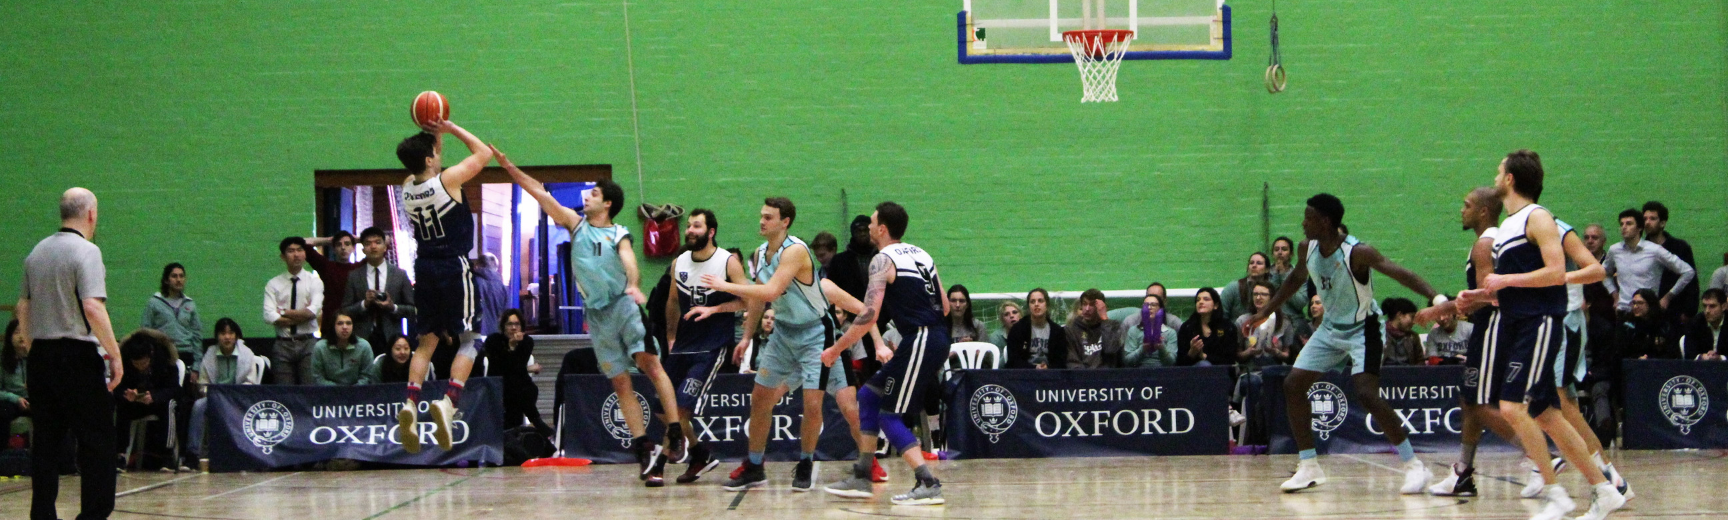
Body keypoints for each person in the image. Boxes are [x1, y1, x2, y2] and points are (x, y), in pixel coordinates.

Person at [495, 147, 681, 486]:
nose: (588, 196)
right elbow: (537, 191)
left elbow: (628, 260)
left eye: (594, 192)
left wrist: (635, 285)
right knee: (620, 381)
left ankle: (675, 430)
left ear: (607, 203)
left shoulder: (617, 232)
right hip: (597, 315)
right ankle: (643, 446)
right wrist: (509, 168)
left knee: (650, 365)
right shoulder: (575, 226)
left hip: (624, 306)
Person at [1463, 151, 1625, 519]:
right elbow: (1511, 285)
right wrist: (1476, 296)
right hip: (1516, 321)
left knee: (1511, 407)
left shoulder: (1539, 217)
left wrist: (1506, 279)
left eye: (1499, 169)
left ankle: (1555, 493)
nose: (1495, 173)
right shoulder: (1507, 226)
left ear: (1511, 179)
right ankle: (1604, 489)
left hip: (1539, 323)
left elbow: (1555, 273)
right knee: (1546, 413)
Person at [1247, 193, 1441, 497]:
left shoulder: (1357, 252)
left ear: (1325, 221)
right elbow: (1296, 278)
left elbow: (1400, 272)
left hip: (1363, 328)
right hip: (1330, 329)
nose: (1303, 222)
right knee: (1293, 384)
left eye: (1308, 217)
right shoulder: (1306, 248)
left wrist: (1436, 297)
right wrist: (1266, 311)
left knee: (1366, 393)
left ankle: (1415, 465)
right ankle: (1309, 466)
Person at [702, 197, 846, 492]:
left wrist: (725, 285)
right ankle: (755, 465)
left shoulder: (795, 250)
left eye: (768, 217)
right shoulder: (757, 255)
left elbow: (772, 289)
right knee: (760, 398)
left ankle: (806, 461)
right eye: (761, 215)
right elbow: (758, 297)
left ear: (785, 222)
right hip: (783, 332)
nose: (762, 221)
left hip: (815, 333)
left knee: (812, 403)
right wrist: (745, 336)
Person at [821, 201, 952, 506]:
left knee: (889, 414)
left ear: (881, 228)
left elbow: (868, 314)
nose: (867, 227)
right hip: (931, 337)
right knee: (868, 396)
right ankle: (863, 474)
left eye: (872, 222)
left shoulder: (882, 259)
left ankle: (927, 481)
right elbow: (944, 307)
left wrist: (836, 348)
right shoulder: (922, 254)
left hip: (920, 337)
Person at [18, 187, 124, 520]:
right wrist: (115, 354)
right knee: (97, 441)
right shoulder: (87, 251)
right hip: (76, 356)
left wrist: (35, 347)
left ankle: (43, 515)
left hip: (41, 357)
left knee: (46, 443)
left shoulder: (36, 252)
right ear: (91, 214)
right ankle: (93, 515)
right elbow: (92, 306)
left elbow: (23, 306)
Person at [392, 120, 494, 456]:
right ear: (430, 160)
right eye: (437, 153)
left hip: (424, 266)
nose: (440, 155)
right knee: (471, 338)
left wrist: (432, 135)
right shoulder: (448, 181)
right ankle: (449, 402)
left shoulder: (406, 186)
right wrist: (450, 127)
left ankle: (410, 402)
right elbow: (484, 153)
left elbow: (425, 162)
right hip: (454, 265)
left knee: (426, 342)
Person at [1418, 186, 1521, 497]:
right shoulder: (1500, 239)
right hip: (1496, 327)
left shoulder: (1485, 243)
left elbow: (1485, 298)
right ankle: (1463, 472)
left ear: (1483, 212)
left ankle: (1541, 456)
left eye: (1466, 206)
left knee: (1477, 402)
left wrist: (1441, 308)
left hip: (1491, 326)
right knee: (1469, 399)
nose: (1461, 211)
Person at [188, 318, 262, 464]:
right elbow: (203, 383)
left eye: (230, 333)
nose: (227, 337)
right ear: (217, 336)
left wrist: (233, 394)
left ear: (236, 336)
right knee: (198, 406)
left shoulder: (247, 355)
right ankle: (192, 453)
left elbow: (251, 382)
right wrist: (214, 394)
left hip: (239, 398)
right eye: (223, 333)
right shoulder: (209, 355)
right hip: (215, 397)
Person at [112, 330, 181, 471]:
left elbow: (175, 388)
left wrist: (154, 397)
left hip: (160, 400)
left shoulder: (165, 358)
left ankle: (166, 455)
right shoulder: (124, 359)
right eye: (136, 364)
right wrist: (127, 394)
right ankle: (120, 454)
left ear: (151, 355)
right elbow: (117, 386)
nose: (140, 367)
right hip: (135, 403)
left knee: (169, 406)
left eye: (143, 363)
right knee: (120, 406)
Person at [1603, 208, 1694, 316]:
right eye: (1621, 224)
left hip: (1649, 313)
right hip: (1624, 311)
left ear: (1640, 227)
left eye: (1629, 223)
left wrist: (1668, 297)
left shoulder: (1654, 250)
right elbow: (1603, 273)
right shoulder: (1614, 250)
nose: (1624, 227)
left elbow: (1688, 271)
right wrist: (1614, 295)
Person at [342, 227, 416, 357]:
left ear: (385, 246)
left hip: (393, 339)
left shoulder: (400, 275)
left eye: (377, 242)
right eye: (368, 243)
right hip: (362, 338)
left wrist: (393, 307)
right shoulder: (354, 276)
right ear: (363, 249)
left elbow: (412, 310)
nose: (373, 247)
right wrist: (364, 304)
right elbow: (345, 311)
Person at [263, 237, 323, 385]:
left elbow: (312, 312)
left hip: (308, 342)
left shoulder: (314, 281)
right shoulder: (273, 284)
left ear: (305, 254)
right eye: (291, 251)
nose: (296, 254)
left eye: (299, 250)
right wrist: (303, 315)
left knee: (310, 389)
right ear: (283, 257)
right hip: (283, 343)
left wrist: (283, 312)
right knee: (285, 392)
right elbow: (269, 315)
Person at [482, 310, 552, 436]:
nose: (513, 328)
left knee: (519, 387)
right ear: (503, 326)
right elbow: (500, 368)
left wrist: (514, 347)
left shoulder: (527, 342)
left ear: (522, 326)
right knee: (520, 388)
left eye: (517, 324)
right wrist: (511, 346)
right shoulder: (493, 341)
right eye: (509, 324)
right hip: (498, 384)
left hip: (517, 386)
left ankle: (520, 428)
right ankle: (536, 421)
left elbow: (515, 367)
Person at [1642, 201, 1698, 325]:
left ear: (1662, 223)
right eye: (1645, 219)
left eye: (1652, 219)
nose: (1647, 222)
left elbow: (1691, 280)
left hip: (1675, 309)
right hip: (1646, 311)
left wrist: (1689, 311)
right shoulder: (1639, 249)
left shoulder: (1679, 247)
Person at [141, 263, 203, 371]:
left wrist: (196, 366)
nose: (178, 279)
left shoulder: (189, 304)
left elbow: (196, 335)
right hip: (163, 354)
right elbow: (145, 331)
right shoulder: (154, 303)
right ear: (166, 280)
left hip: (186, 354)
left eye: (181, 276)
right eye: (174, 276)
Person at [303, 231, 363, 339]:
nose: (343, 248)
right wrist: (329, 240)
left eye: (347, 244)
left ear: (354, 248)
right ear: (334, 249)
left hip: (356, 324)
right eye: (339, 245)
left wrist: (358, 239)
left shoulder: (360, 268)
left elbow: (385, 241)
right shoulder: (327, 267)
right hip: (331, 324)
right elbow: (303, 243)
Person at [1235, 281, 1298, 369]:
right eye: (1255, 294)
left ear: (1272, 298)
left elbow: (1288, 356)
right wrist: (1249, 352)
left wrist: (1276, 352)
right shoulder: (1242, 321)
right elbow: (1237, 356)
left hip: (1277, 371)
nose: (1258, 297)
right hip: (1251, 371)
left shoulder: (1284, 322)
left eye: (1263, 294)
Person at [1004, 288, 1069, 369]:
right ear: (1029, 306)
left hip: (1051, 375)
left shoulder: (1057, 331)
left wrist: (1048, 367)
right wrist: (1034, 368)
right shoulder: (1017, 329)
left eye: (1040, 301)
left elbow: (1061, 361)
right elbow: (1013, 360)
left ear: (1047, 305)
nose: (1036, 304)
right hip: (1023, 375)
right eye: (1032, 301)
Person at [1063, 289, 1124, 369]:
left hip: (1106, 377)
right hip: (1081, 378)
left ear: (1100, 307)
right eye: (1084, 304)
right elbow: (1072, 362)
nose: (1087, 309)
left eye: (1092, 304)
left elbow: (1110, 350)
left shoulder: (1113, 326)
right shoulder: (1070, 331)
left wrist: (1104, 319)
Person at [1176, 287, 1237, 366]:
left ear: (1216, 305)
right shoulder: (1187, 327)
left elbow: (1230, 360)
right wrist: (1191, 353)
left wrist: (1204, 356)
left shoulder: (1228, 327)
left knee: (1205, 364)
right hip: (1192, 374)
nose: (1201, 302)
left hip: (1221, 373)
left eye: (1206, 299)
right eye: (1198, 300)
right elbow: (1179, 364)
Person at [308, 313, 374, 386]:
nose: (345, 327)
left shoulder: (364, 346)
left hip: (357, 392)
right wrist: (338, 390)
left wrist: (353, 390)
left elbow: (367, 376)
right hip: (328, 393)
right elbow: (317, 378)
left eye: (348, 323)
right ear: (333, 327)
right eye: (340, 323)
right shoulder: (320, 347)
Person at [1123, 294, 1177, 368]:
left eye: (1153, 305)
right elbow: (1128, 361)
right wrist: (1142, 349)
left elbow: (1172, 362)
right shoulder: (1134, 331)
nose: (1149, 307)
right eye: (1146, 305)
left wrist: (1162, 348)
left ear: (1160, 309)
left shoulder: (1170, 333)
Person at [1619, 290, 1675, 359]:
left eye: (1640, 303)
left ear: (1650, 304)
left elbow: (1672, 353)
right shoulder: (1628, 327)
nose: (1635, 307)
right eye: (1634, 303)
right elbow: (1621, 353)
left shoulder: (1664, 326)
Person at [0, 320, 28, 454]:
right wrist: (15, 399)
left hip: (35, 399)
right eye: (17, 332)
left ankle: (64, 463)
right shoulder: (3, 360)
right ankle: (3, 456)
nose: (21, 336)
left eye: (24, 331)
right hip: (11, 400)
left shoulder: (38, 358)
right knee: (3, 411)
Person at [1219, 252, 1272, 321]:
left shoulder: (1272, 288)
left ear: (1267, 269)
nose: (1254, 266)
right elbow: (1221, 314)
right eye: (1251, 263)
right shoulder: (1233, 287)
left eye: (1259, 263)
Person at [1378, 298, 1422, 366]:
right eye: (1412, 317)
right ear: (1400, 315)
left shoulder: (1413, 337)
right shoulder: (1379, 335)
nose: (1414, 322)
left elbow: (1420, 362)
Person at [1685, 289, 1726, 360]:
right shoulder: (1695, 323)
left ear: (1723, 306)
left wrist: (1721, 358)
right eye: (1704, 306)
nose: (1707, 311)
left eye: (1712, 306)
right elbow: (1689, 354)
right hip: (1701, 368)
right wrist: (1702, 357)